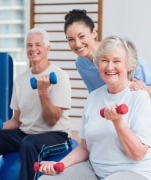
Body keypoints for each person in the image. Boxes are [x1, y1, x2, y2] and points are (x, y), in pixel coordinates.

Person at [38, 36, 151, 180]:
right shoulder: (94, 97)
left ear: (128, 66)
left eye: (116, 61)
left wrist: (118, 122)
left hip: (133, 172)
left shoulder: (139, 97)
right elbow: (85, 147)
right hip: (94, 170)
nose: (110, 67)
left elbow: (138, 154)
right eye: (104, 60)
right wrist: (60, 165)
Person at [0, 28, 72, 180]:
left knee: (29, 143)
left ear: (47, 48)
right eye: (29, 45)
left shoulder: (60, 77)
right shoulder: (20, 80)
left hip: (55, 135)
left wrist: (43, 92)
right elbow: (17, 121)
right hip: (26, 133)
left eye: (38, 44)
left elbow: (52, 120)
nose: (33, 49)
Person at [64, 9, 151, 95]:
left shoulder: (118, 50)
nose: (77, 44)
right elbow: (95, 94)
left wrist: (146, 89)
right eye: (71, 39)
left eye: (82, 36)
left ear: (94, 33)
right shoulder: (81, 63)